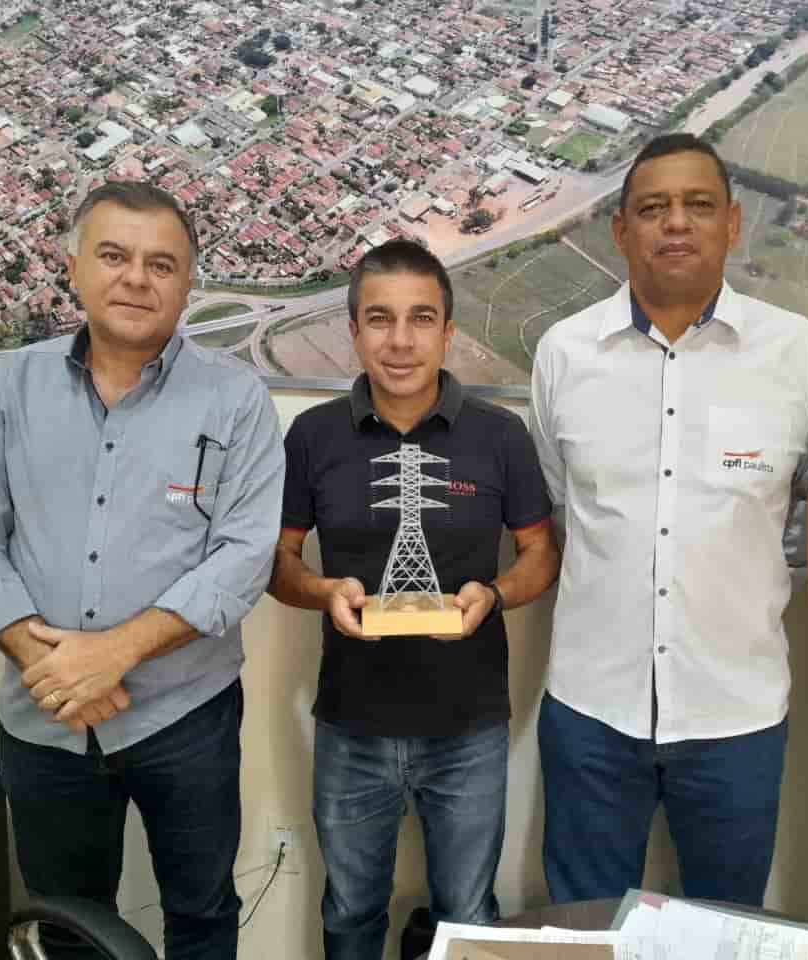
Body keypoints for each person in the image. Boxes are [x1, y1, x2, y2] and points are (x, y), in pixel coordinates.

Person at [0, 181, 284, 960]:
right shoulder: (10, 386)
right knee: (69, 920)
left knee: (200, 910)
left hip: (184, 718)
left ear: (188, 284)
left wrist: (115, 652)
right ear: (75, 268)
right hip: (44, 716)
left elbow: (244, 552)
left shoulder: (236, 399)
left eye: (162, 264)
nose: (136, 278)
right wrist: (47, 663)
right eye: (115, 256)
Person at [528, 133, 808, 906]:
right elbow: (563, 510)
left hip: (736, 713)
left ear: (733, 224)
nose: (676, 224)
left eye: (698, 206)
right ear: (621, 231)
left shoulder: (799, 355)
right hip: (592, 710)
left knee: (725, 928)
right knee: (585, 931)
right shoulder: (564, 355)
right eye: (653, 208)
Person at [268, 238, 560, 960]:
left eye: (421, 319)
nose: (400, 341)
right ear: (354, 330)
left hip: (468, 730)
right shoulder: (312, 437)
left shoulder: (499, 435)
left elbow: (540, 554)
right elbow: (277, 563)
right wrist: (322, 592)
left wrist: (491, 596)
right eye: (380, 319)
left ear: (448, 332)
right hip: (351, 725)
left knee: (467, 917)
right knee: (349, 915)